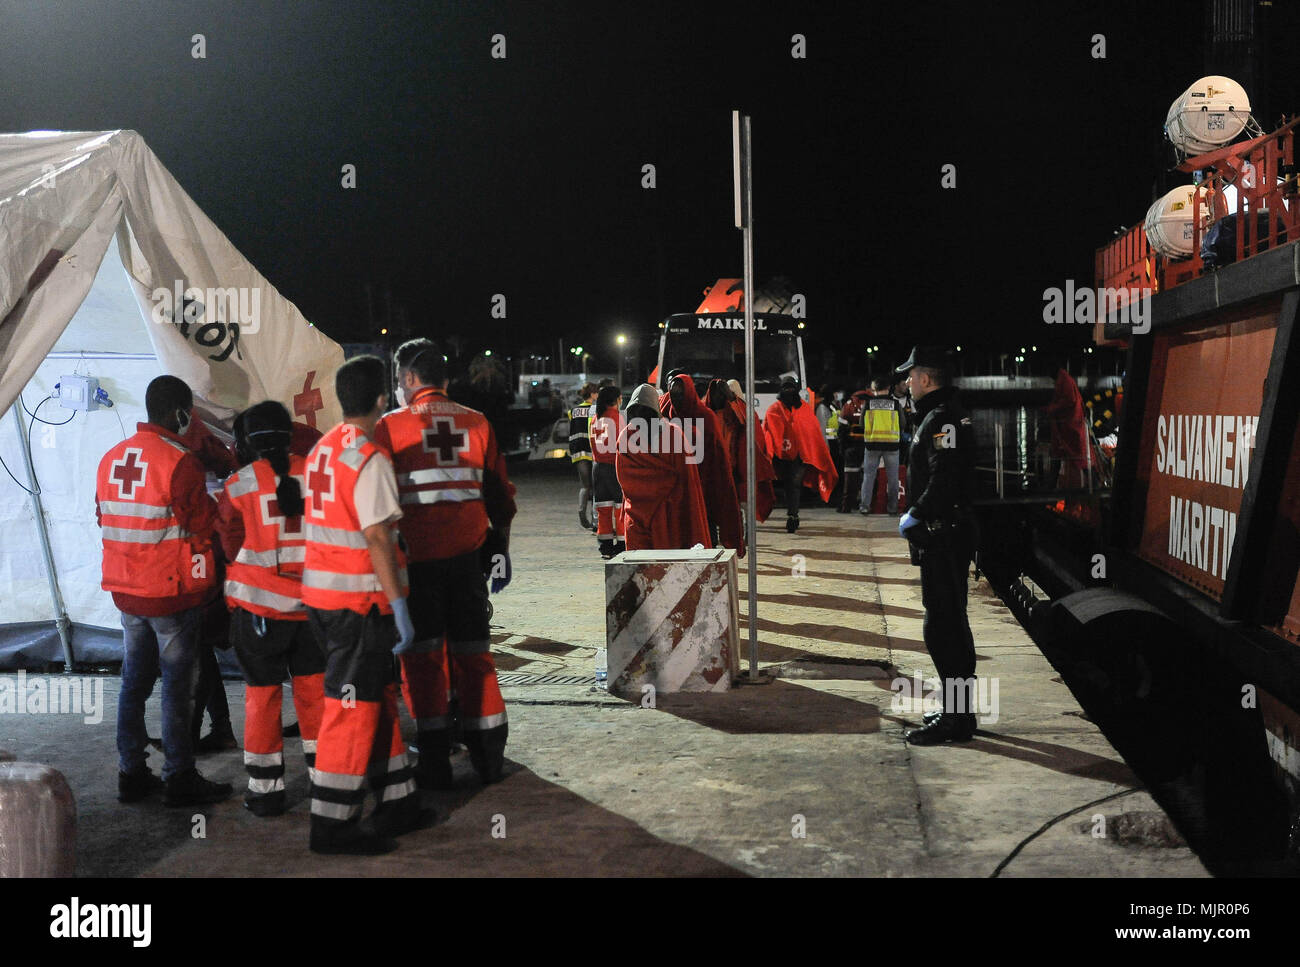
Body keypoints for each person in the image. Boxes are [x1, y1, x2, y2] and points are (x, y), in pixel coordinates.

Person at [374, 339, 517, 790]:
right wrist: (500, 550)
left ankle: (434, 760)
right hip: (467, 561)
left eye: (399, 380)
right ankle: (489, 754)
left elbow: (375, 504)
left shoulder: (389, 428)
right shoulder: (478, 422)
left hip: (416, 566)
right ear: (446, 381)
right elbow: (501, 498)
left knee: (423, 660)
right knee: (475, 655)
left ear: (410, 380)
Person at [302, 355, 430, 855]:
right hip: (359, 604)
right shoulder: (369, 458)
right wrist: (399, 606)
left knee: (374, 698)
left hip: (323, 600)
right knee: (350, 710)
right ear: (382, 399)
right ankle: (332, 825)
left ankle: (399, 800)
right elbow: (378, 537)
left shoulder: (323, 450)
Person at [96, 375, 233, 807]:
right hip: (169, 593)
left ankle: (131, 772)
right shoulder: (180, 462)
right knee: (179, 685)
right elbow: (199, 523)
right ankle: (180, 776)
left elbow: (104, 517)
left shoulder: (110, 458)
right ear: (181, 413)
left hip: (126, 589)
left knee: (133, 681)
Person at [218, 401, 324, 817]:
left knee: (262, 699)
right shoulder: (320, 475)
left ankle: (265, 792)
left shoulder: (240, 484)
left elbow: (228, 539)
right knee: (315, 696)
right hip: (315, 607)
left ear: (247, 442)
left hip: (260, 611)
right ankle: (327, 782)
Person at [894, 347, 979, 746]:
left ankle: (956, 721)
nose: (907, 384)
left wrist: (916, 512)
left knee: (942, 627)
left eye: (910, 377)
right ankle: (959, 713)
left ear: (926, 379)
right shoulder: (947, 413)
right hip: (948, 533)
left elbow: (945, 478)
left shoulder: (942, 417)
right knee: (950, 623)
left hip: (943, 535)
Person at [616, 383, 711, 551]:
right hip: (665, 517)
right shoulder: (674, 435)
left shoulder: (627, 436)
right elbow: (687, 484)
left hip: (647, 517)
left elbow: (625, 481)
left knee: (647, 572)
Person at [661, 371, 744, 555]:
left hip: (703, 482)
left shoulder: (705, 416)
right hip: (675, 486)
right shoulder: (664, 413)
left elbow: (717, 455)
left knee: (706, 523)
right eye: (674, 393)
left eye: (681, 393)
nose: (677, 398)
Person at [763, 377, 838, 533]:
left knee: (794, 483)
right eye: (786, 388)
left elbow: (811, 431)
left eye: (791, 388)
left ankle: (793, 515)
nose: (789, 392)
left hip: (801, 455)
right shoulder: (774, 409)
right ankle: (792, 513)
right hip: (781, 455)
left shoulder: (804, 409)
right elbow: (768, 430)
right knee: (788, 484)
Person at [708, 378, 775, 522]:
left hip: (739, 465)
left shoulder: (744, 413)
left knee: (744, 501)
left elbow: (754, 438)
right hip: (721, 465)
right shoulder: (710, 414)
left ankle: (744, 529)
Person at [589, 384, 626, 558]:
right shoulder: (617, 418)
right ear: (616, 400)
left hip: (597, 468)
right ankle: (621, 543)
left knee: (603, 507)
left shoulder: (595, 419)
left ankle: (604, 546)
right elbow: (623, 444)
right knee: (619, 507)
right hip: (614, 467)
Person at [861, 376, 904, 515]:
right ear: (888, 388)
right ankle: (892, 509)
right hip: (892, 445)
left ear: (874, 389)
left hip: (872, 445)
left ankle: (865, 507)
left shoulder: (868, 404)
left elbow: (862, 423)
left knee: (868, 477)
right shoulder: (896, 404)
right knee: (892, 478)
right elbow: (903, 423)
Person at [567, 383, 598, 530]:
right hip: (591, 450)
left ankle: (581, 513)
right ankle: (594, 520)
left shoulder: (573, 411)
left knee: (585, 486)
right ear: (592, 394)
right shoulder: (594, 410)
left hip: (577, 451)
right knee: (595, 487)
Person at [837, 385, 871, 513]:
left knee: (850, 477)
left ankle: (846, 506)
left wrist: (842, 447)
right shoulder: (873, 403)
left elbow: (842, 429)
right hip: (871, 446)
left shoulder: (849, 404)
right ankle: (869, 505)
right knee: (869, 477)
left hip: (852, 447)